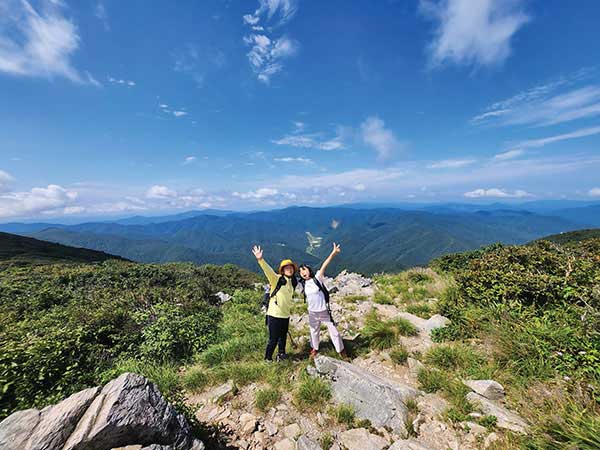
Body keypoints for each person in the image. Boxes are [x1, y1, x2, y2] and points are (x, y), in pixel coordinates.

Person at [299, 242, 347, 359]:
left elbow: (325, 264)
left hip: (324, 312)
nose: (303, 273)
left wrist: (333, 253)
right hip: (312, 313)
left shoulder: (317, 278)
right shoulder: (302, 284)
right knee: (314, 332)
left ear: (309, 270)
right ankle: (314, 349)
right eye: (300, 272)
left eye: (304, 270)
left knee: (334, 332)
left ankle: (341, 351)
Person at [252, 245, 298, 362]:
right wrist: (260, 259)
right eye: (286, 268)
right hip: (274, 315)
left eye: (291, 268)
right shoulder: (276, 279)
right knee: (273, 339)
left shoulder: (292, 282)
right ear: (282, 270)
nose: (289, 269)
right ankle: (267, 358)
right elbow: (268, 271)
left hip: (285, 315)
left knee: (282, 337)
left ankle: (281, 355)